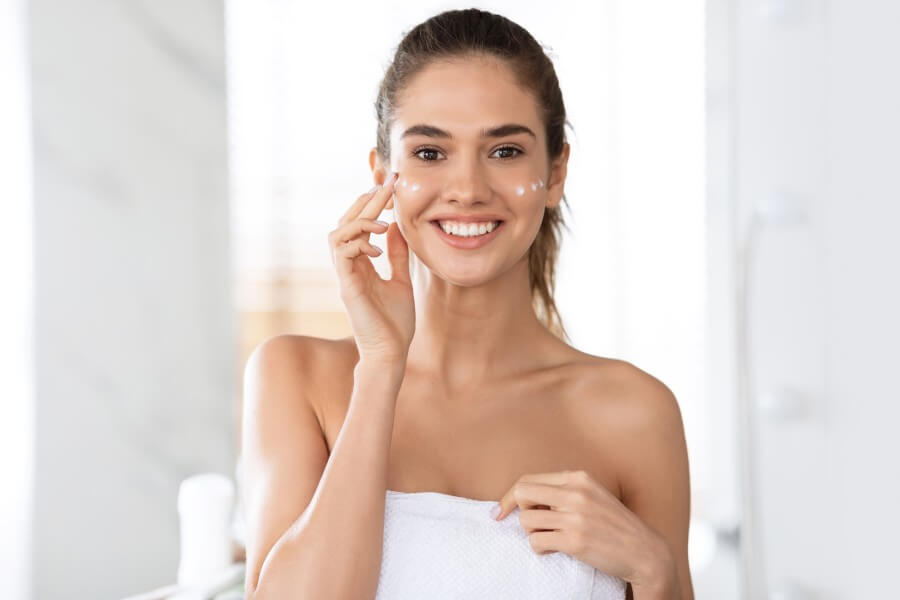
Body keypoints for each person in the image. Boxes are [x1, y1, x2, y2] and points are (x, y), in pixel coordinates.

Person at [240, 8, 693, 600]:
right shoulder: (298, 379)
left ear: (556, 172)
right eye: (430, 153)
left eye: (504, 151)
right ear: (384, 173)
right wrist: (380, 366)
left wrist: (655, 573)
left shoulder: (633, 413)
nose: (469, 189)